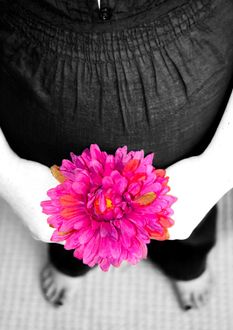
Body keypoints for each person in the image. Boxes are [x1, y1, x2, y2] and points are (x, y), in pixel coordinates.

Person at [0, 0, 233, 309]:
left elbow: (204, 180)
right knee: (55, 204)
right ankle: (74, 259)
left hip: (195, 42)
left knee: (189, 206)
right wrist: (8, 174)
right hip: (29, 55)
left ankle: (186, 259)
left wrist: (218, 170)